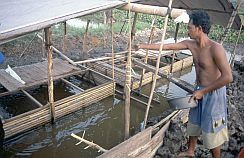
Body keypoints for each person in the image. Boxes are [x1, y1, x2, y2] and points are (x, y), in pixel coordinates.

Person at [137, 10, 233, 158]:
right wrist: (142, 46)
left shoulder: (216, 49)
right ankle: (190, 151)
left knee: (212, 130)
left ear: (199, 28)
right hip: (199, 90)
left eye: (189, 27)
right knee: (194, 122)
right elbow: (168, 47)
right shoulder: (191, 44)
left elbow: (228, 77)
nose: (187, 30)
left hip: (213, 93)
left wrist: (204, 91)